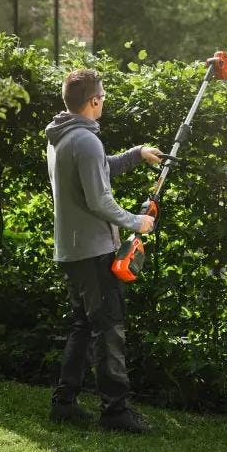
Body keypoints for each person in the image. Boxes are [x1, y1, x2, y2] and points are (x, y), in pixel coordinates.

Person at [46, 68, 162, 433]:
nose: (105, 100)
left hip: (72, 250)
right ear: (94, 100)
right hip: (94, 251)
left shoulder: (61, 136)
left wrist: (137, 154)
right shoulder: (85, 140)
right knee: (109, 328)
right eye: (104, 96)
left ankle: (64, 403)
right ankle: (116, 412)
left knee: (82, 326)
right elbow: (99, 199)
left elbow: (99, 169)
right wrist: (136, 223)